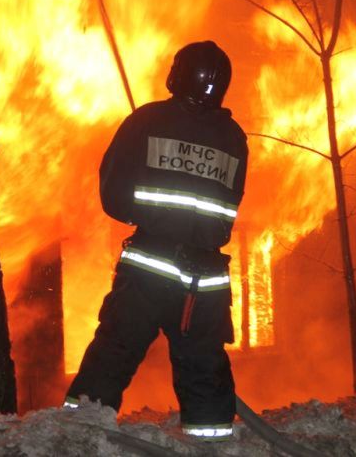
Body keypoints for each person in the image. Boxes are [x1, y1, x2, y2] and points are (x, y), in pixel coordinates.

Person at [64, 41, 248, 441]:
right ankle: (212, 442)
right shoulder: (234, 137)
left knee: (115, 350)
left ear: (176, 75)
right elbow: (227, 206)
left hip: (150, 266)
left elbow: (114, 197)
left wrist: (146, 212)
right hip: (206, 279)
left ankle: (77, 436)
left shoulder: (146, 121)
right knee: (204, 366)